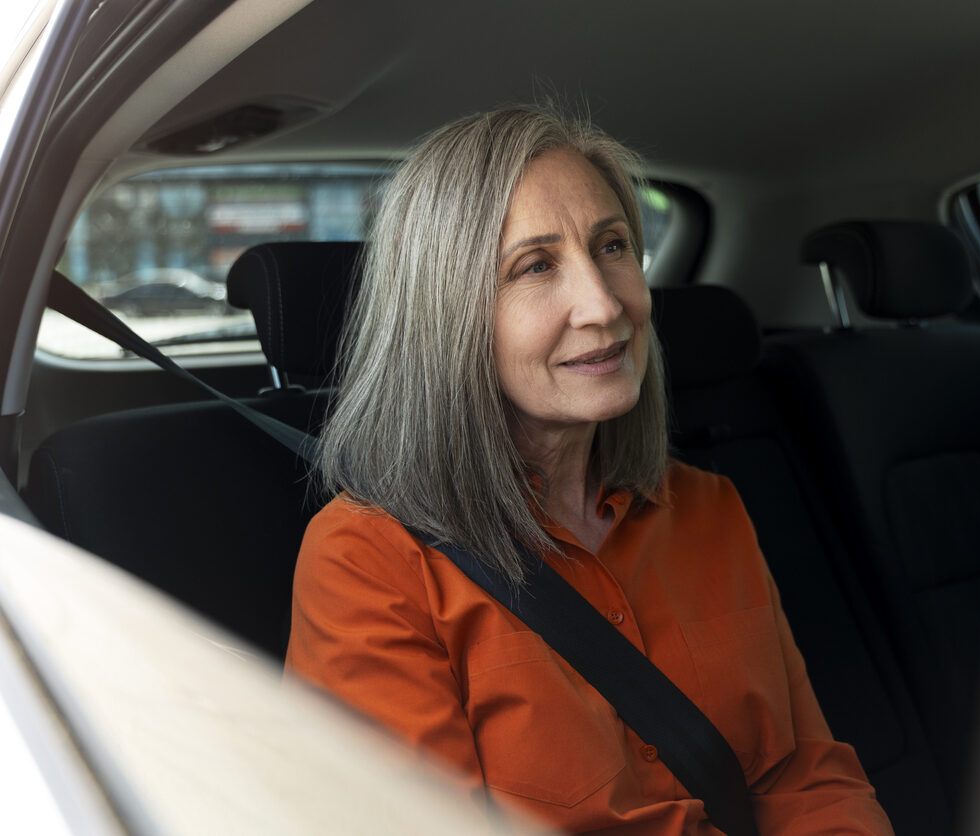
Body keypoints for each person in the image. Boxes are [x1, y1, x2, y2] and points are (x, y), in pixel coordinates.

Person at [285, 105, 893, 835]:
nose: (604, 304)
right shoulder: (369, 560)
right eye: (536, 266)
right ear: (448, 315)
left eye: (612, 246)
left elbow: (804, 776)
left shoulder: (709, 507)